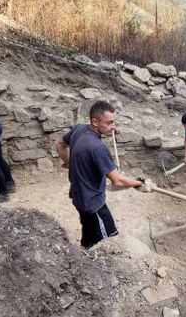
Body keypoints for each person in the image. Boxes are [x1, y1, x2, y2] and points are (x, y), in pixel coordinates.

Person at [55, 101, 152, 249]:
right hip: (92, 203)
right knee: (111, 242)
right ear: (95, 121)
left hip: (79, 196)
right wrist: (139, 183)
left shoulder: (80, 129)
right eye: (109, 122)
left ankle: (84, 251)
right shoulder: (97, 147)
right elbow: (117, 181)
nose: (113, 127)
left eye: (114, 122)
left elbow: (59, 143)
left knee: (88, 230)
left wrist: (69, 163)